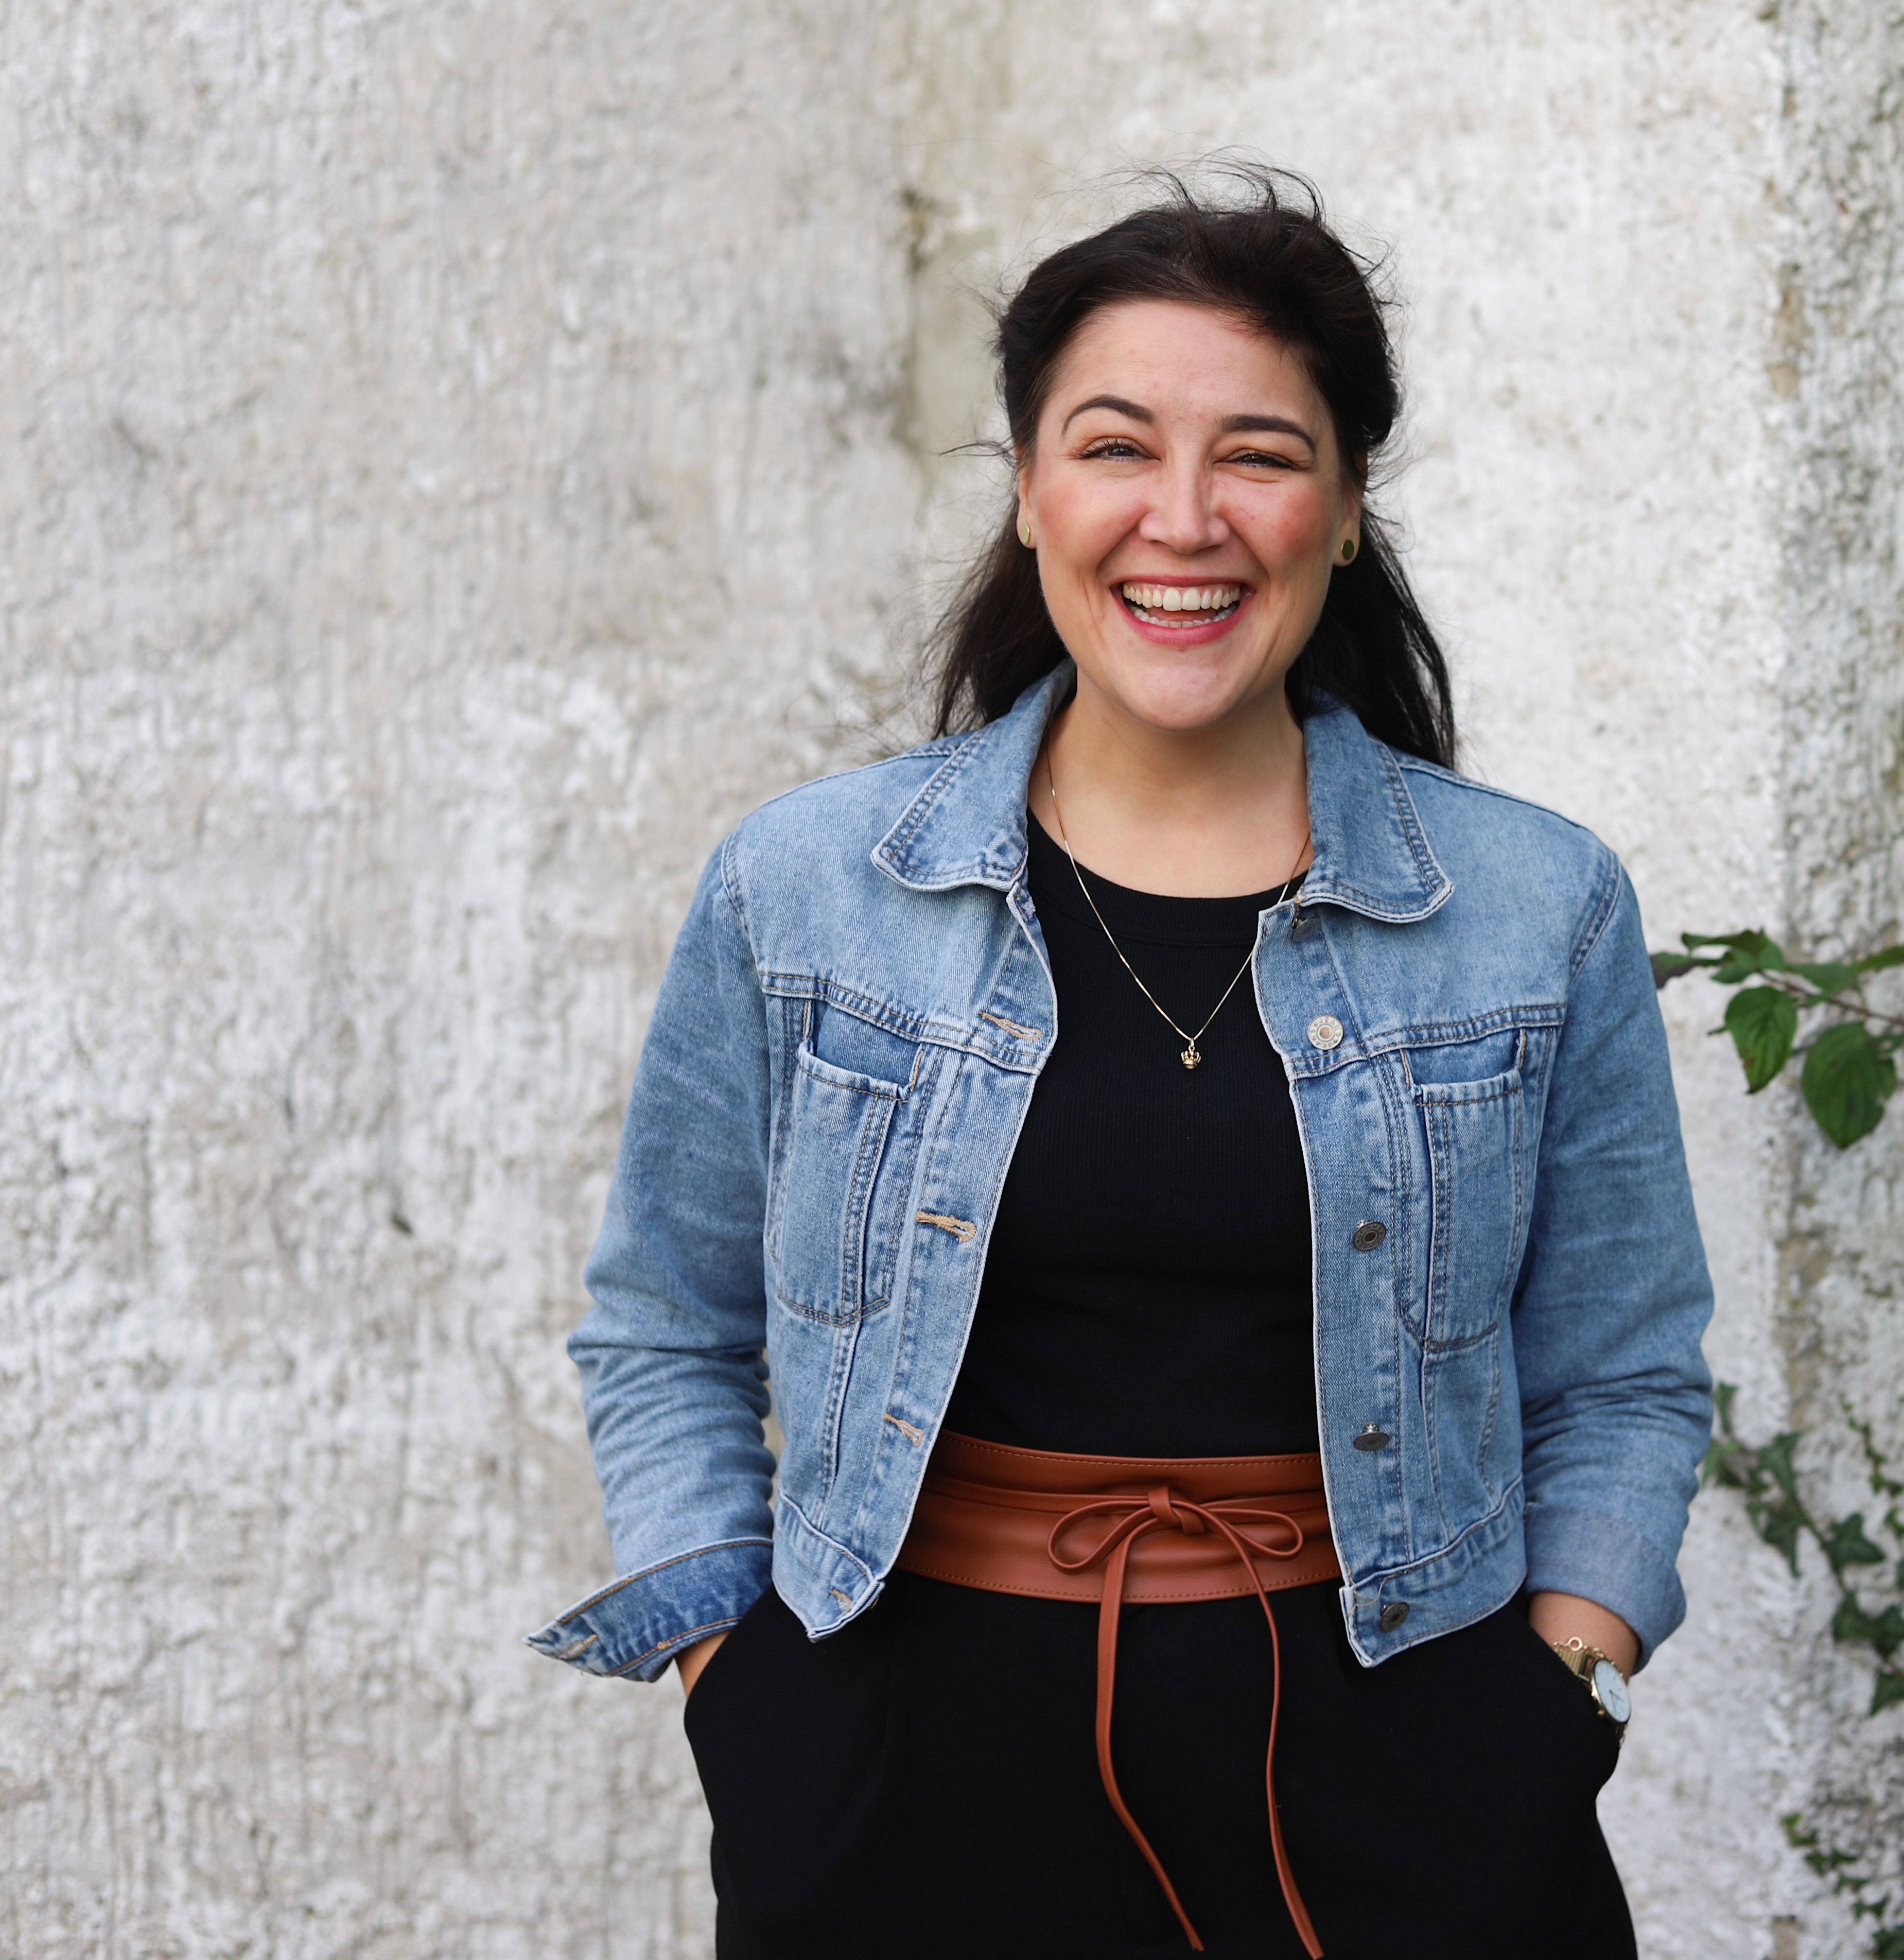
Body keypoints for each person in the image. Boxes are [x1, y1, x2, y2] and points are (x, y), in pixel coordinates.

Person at [528, 170, 1715, 1959]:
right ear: (1028, 489)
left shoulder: (1537, 907)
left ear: (1346, 507)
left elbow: (1621, 1374)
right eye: (1114, 447)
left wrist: (1556, 1712)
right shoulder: (809, 888)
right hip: (901, 1795)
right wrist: (744, 1703)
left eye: (1259, 454)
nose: (1185, 518)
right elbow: (663, 1328)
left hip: (1422, 1791)